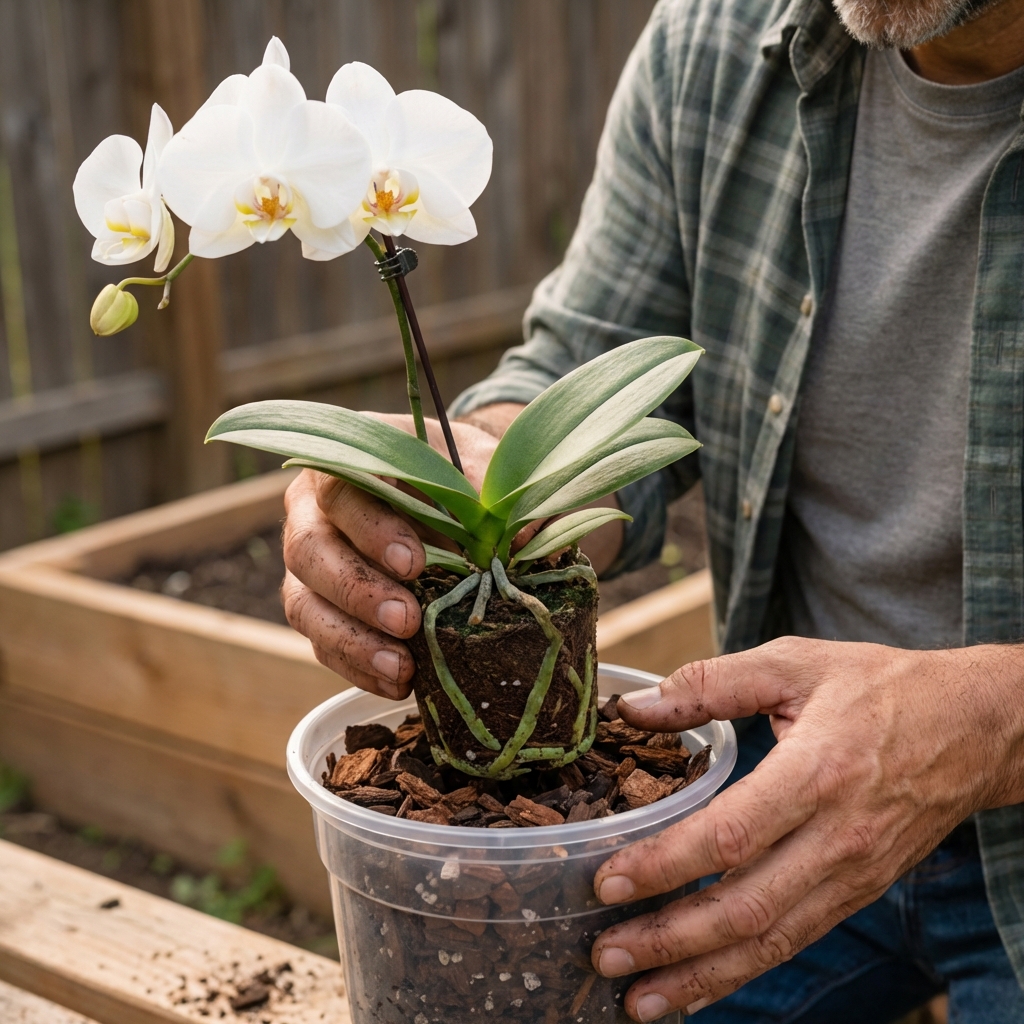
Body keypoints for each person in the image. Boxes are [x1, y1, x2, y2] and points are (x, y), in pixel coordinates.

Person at [279, 0, 1024, 1019]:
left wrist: (983, 719)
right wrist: (471, 490)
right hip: (778, 778)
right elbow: (591, 374)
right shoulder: (717, 44)